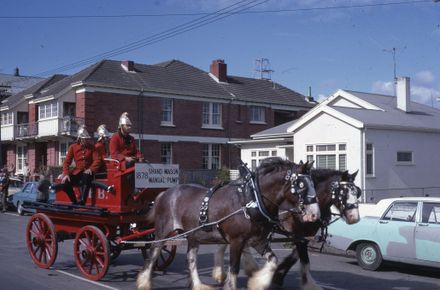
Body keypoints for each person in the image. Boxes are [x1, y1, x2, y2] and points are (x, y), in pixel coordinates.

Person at [61, 125, 99, 205]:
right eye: (84, 139)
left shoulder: (92, 147)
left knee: (86, 176)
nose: (86, 140)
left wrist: (91, 169)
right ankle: (74, 201)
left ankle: (82, 200)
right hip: (77, 172)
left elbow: (97, 160)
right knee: (65, 184)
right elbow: (66, 162)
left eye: (87, 139)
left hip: (88, 173)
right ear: (80, 138)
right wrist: (66, 174)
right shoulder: (73, 147)